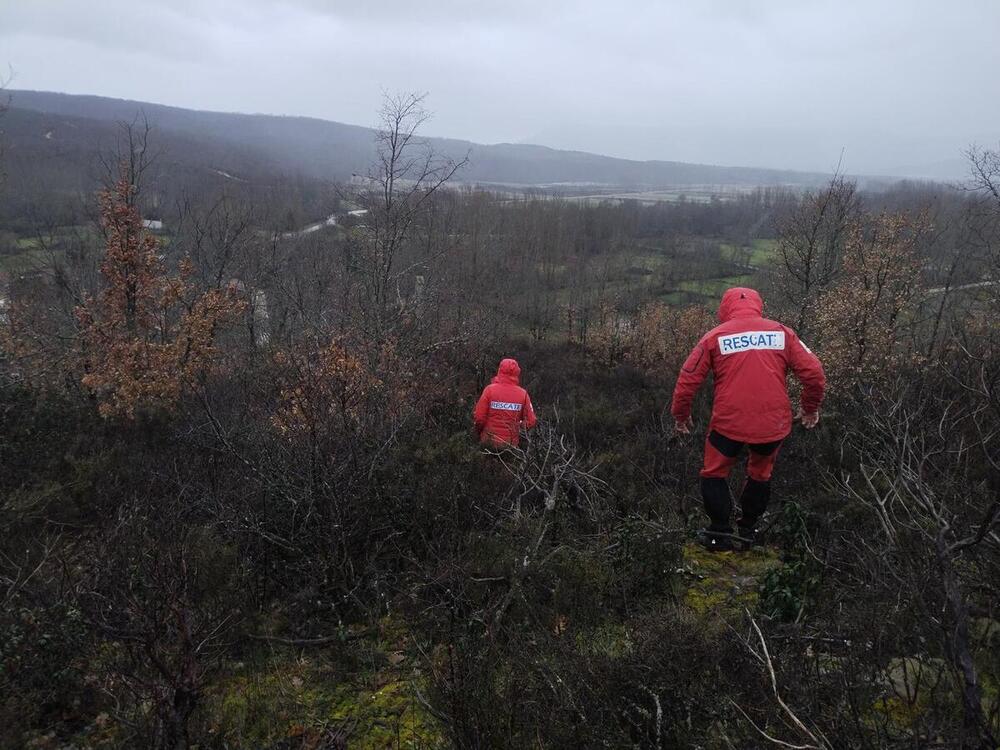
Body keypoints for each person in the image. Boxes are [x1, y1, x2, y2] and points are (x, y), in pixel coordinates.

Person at [671, 287, 825, 551]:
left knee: (714, 473)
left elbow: (687, 379)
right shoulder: (783, 333)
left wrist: (681, 416)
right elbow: (815, 374)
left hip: (728, 424)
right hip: (772, 425)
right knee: (760, 475)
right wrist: (809, 408)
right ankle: (749, 530)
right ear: (758, 305)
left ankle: (719, 533)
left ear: (725, 308)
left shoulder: (714, 337)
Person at [474, 358, 537, 447]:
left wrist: (478, 433)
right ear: (517, 373)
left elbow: (479, 418)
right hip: (511, 446)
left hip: (488, 443)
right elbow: (531, 421)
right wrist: (517, 428)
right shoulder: (523, 394)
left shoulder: (489, 390)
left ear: (500, 370)